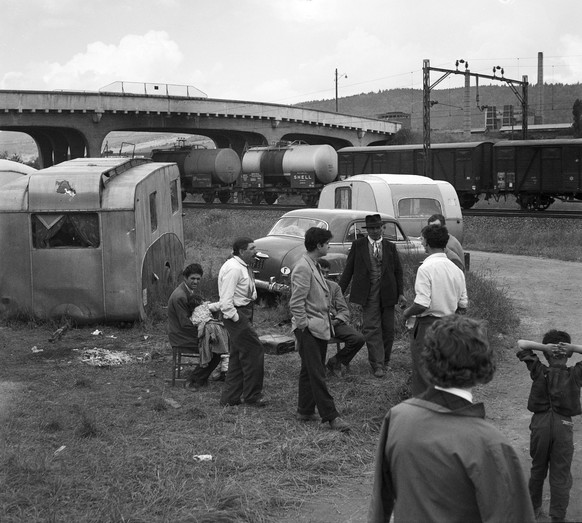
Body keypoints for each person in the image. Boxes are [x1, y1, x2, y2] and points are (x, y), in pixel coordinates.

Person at [369, 315, 535, 523]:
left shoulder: (397, 417)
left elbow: (380, 505)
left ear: (428, 361)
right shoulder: (490, 443)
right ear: (483, 364)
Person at [517, 331, 582, 523]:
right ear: (569, 355)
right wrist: (573, 348)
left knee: (537, 469)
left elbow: (522, 344)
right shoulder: (575, 374)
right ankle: (558, 517)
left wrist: (544, 347)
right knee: (561, 473)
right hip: (564, 424)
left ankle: (533, 510)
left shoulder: (539, 370)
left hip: (540, 424)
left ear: (545, 355)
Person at [289, 227, 350, 432]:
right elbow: (296, 302)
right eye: (327, 243)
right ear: (319, 245)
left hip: (317, 327)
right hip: (310, 328)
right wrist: (304, 326)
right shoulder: (303, 267)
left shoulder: (311, 264)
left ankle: (305, 410)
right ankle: (331, 416)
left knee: (309, 370)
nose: (329, 246)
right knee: (317, 373)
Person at [402, 224, 468, 395]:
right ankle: (446, 408)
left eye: (422, 239)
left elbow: (422, 304)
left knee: (424, 372)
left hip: (428, 327)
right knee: (445, 370)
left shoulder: (426, 268)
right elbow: (463, 305)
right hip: (451, 325)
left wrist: (406, 313)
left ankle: (426, 411)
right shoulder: (456, 269)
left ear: (427, 244)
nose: (421, 242)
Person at [338, 214, 406, 378]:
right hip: (368, 294)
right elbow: (348, 271)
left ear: (382, 228)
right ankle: (377, 365)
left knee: (388, 329)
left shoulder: (389, 246)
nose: (375, 231)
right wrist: (338, 292)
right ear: (367, 230)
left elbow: (398, 271)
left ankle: (386, 360)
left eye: (378, 227)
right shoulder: (358, 245)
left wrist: (401, 293)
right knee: (372, 328)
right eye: (372, 228)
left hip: (388, 293)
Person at [218, 237, 266, 407]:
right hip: (237, 315)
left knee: (238, 356)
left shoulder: (242, 267)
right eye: (252, 248)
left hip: (244, 311)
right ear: (241, 251)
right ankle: (252, 395)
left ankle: (230, 398)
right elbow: (225, 301)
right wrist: (237, 318)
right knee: (255, 351)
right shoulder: (233, 269)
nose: (255, 252)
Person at [167, 263, 222, 388]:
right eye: (192, 278)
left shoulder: (187, 291)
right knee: (216, 349)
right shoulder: (180, 296)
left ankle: (199, 377)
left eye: (198, 279)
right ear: (185, 278)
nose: (196, 281)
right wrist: (204, 334)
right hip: (180, 336)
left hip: (184, 332)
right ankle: (194, 380)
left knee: (217, 343)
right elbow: (185, 324)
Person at [317, 258, 365, 377]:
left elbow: (344, 310)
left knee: (358, 338)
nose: (324, 275)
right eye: (321, 272)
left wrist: (336, 321)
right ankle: (317, 369)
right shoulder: (308, 286)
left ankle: (335, 361)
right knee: (315, 341)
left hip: (335, 322)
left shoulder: (334, 287)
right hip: (317, 323)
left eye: (327, 273)